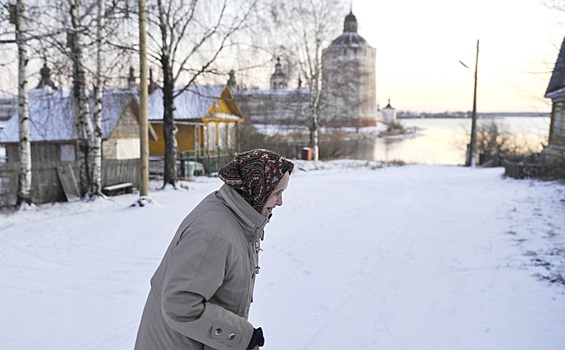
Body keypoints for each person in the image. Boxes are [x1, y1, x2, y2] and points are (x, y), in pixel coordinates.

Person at [134, 149, 294, 350]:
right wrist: (243, 337)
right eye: (276, 193)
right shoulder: (213, 235)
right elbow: (180, 305)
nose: (280, 202)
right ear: (257, 188)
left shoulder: (238, 214)